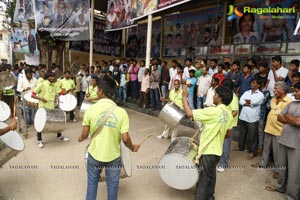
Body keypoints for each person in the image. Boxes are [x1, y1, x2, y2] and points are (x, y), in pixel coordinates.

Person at [78, 75, 140, 200]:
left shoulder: (90, 110)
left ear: (100, 91)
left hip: (94, 154)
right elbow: (125, 139)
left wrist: (81, 137)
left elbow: (85, 135)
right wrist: (133, 147)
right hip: (113, 157)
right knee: (112, 186)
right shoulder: (121, 112)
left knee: (92, 183)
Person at [182, 85, 233, 200]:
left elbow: (189, 114)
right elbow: (228, 134)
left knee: (203, 178)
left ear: (220, 98)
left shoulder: (213, 111)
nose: (213, 96)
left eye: (215, 95)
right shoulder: (228, 114)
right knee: (211, 174)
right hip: (218, 151)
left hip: (207, 151)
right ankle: (210, 197)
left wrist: (184, 98)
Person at [265, 81, 300, 200]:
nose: (294, 93)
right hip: (284, 139)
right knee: (282, 167)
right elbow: (280, 117)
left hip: (296, 144)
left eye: (296, 91)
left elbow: (297, 122)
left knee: (294, 173)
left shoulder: (289, 103)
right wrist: (292, 119)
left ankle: (292, 196)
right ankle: (280, 187)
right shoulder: (293, 104)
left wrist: (289, 118)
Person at [252, 82, 291, 178]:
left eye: (275, 88)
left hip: (279, 130)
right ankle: (263, 163)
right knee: (266, 148)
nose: (273, 90)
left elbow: (287, 116)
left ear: (282, 90)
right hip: (269, 127)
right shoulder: (273, 99)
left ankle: (278, 170)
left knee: (278, 152)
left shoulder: (289, 101)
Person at [32, 71, 69, 148]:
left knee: (57, 121)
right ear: (47, 77)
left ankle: (59, 137)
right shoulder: (42, 84)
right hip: (43, 107)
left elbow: (61, 92)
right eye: (50, 76)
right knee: (40, 123)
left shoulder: (54, 85)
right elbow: (33, 94)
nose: (52, 78)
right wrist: (41, 98)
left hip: (52, 107)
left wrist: (66, 91)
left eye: (53, 76)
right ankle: (39, 140)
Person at [238, 78, 264, 159]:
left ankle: (253, 151)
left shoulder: (260, 94)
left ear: (258, 85)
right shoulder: (247, 92)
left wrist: (249, 103)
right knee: (242, 133)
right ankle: (241, 147)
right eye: (252, 83)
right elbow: (241, 101)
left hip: (253, 117)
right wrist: (248, 103)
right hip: (243, 116)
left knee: (253, 135)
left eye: (254, 83)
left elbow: (255, 102)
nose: (252, 84)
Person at [217, 79, 239, 172]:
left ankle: (223, 164)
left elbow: (235, 111)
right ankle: (220, 160)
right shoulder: (227, 96)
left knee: (226, 144)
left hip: (229, 124)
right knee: (221, 143)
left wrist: (227, 118)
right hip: (223, 123)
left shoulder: (233, 97)